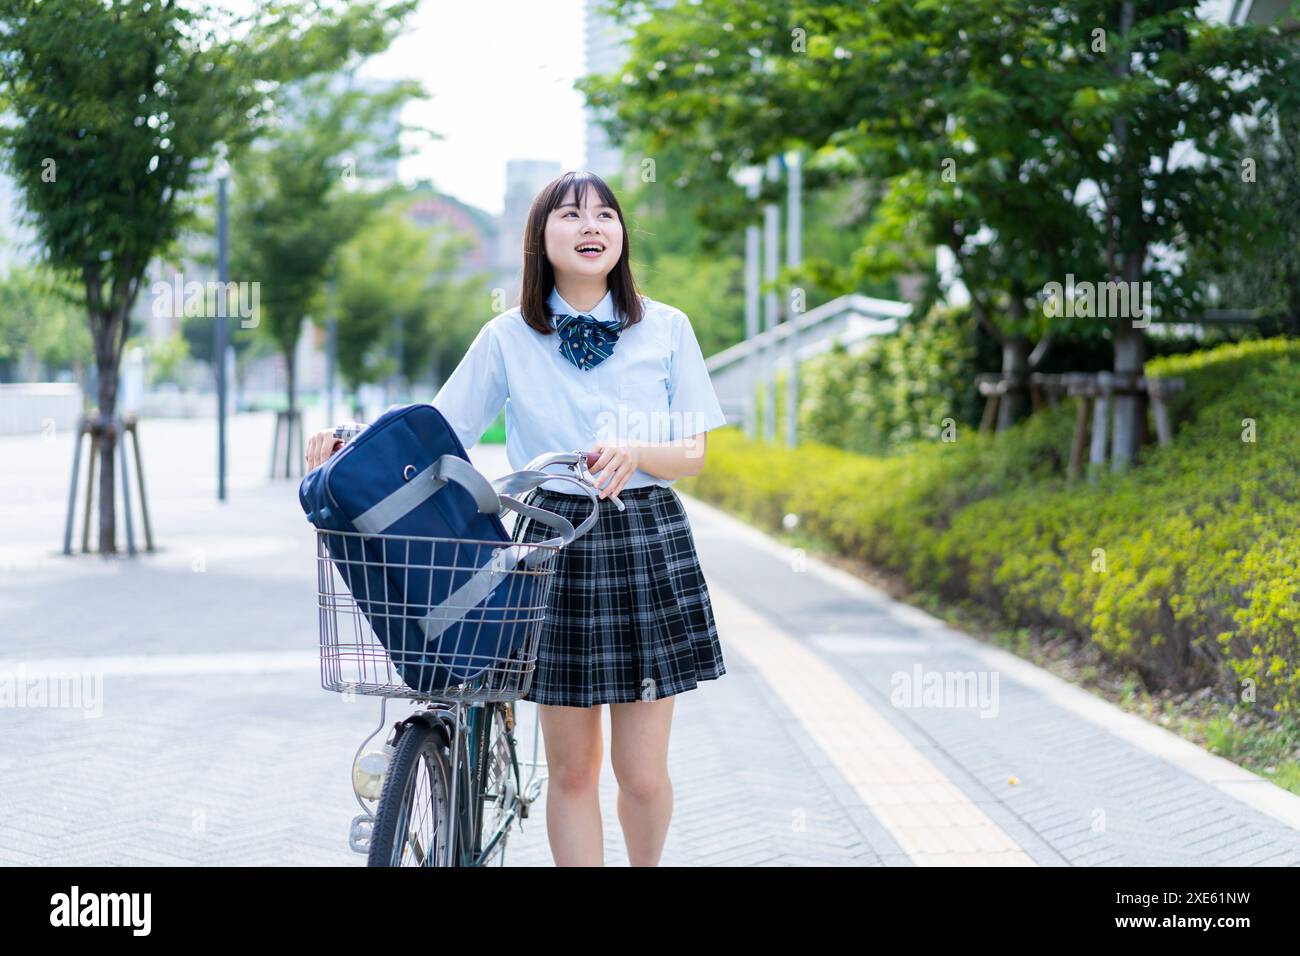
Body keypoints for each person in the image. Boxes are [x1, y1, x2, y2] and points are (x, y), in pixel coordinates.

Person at [303, 170, 730, 867]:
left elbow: (693, 452)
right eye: (570, 215)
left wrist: (635, 449)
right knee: (572, 771)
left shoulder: (668, 327)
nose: (591, 227)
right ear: (540, 239)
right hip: (552, 542)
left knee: (643, 774)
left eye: (605, 216)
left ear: (622, 235)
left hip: (646, 538)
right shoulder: (508, 335)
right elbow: (437, 429)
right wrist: (355, 439)